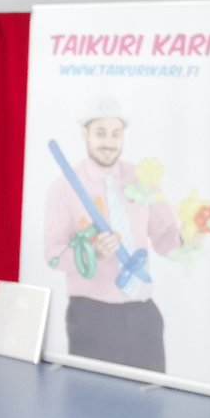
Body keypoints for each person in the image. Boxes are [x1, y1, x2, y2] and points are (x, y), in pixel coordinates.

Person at [43, 98, 184, 372]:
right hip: (91, 315)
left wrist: (186, 240)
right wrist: (90, 253)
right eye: (100, 133)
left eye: (116, 134)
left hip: (143, 314)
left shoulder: (142, 179)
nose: (109, 142)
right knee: (92, 394)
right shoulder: (64, 187)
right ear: (85, 134)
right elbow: (52, 255)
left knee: (150, 394)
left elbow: (164, 237)